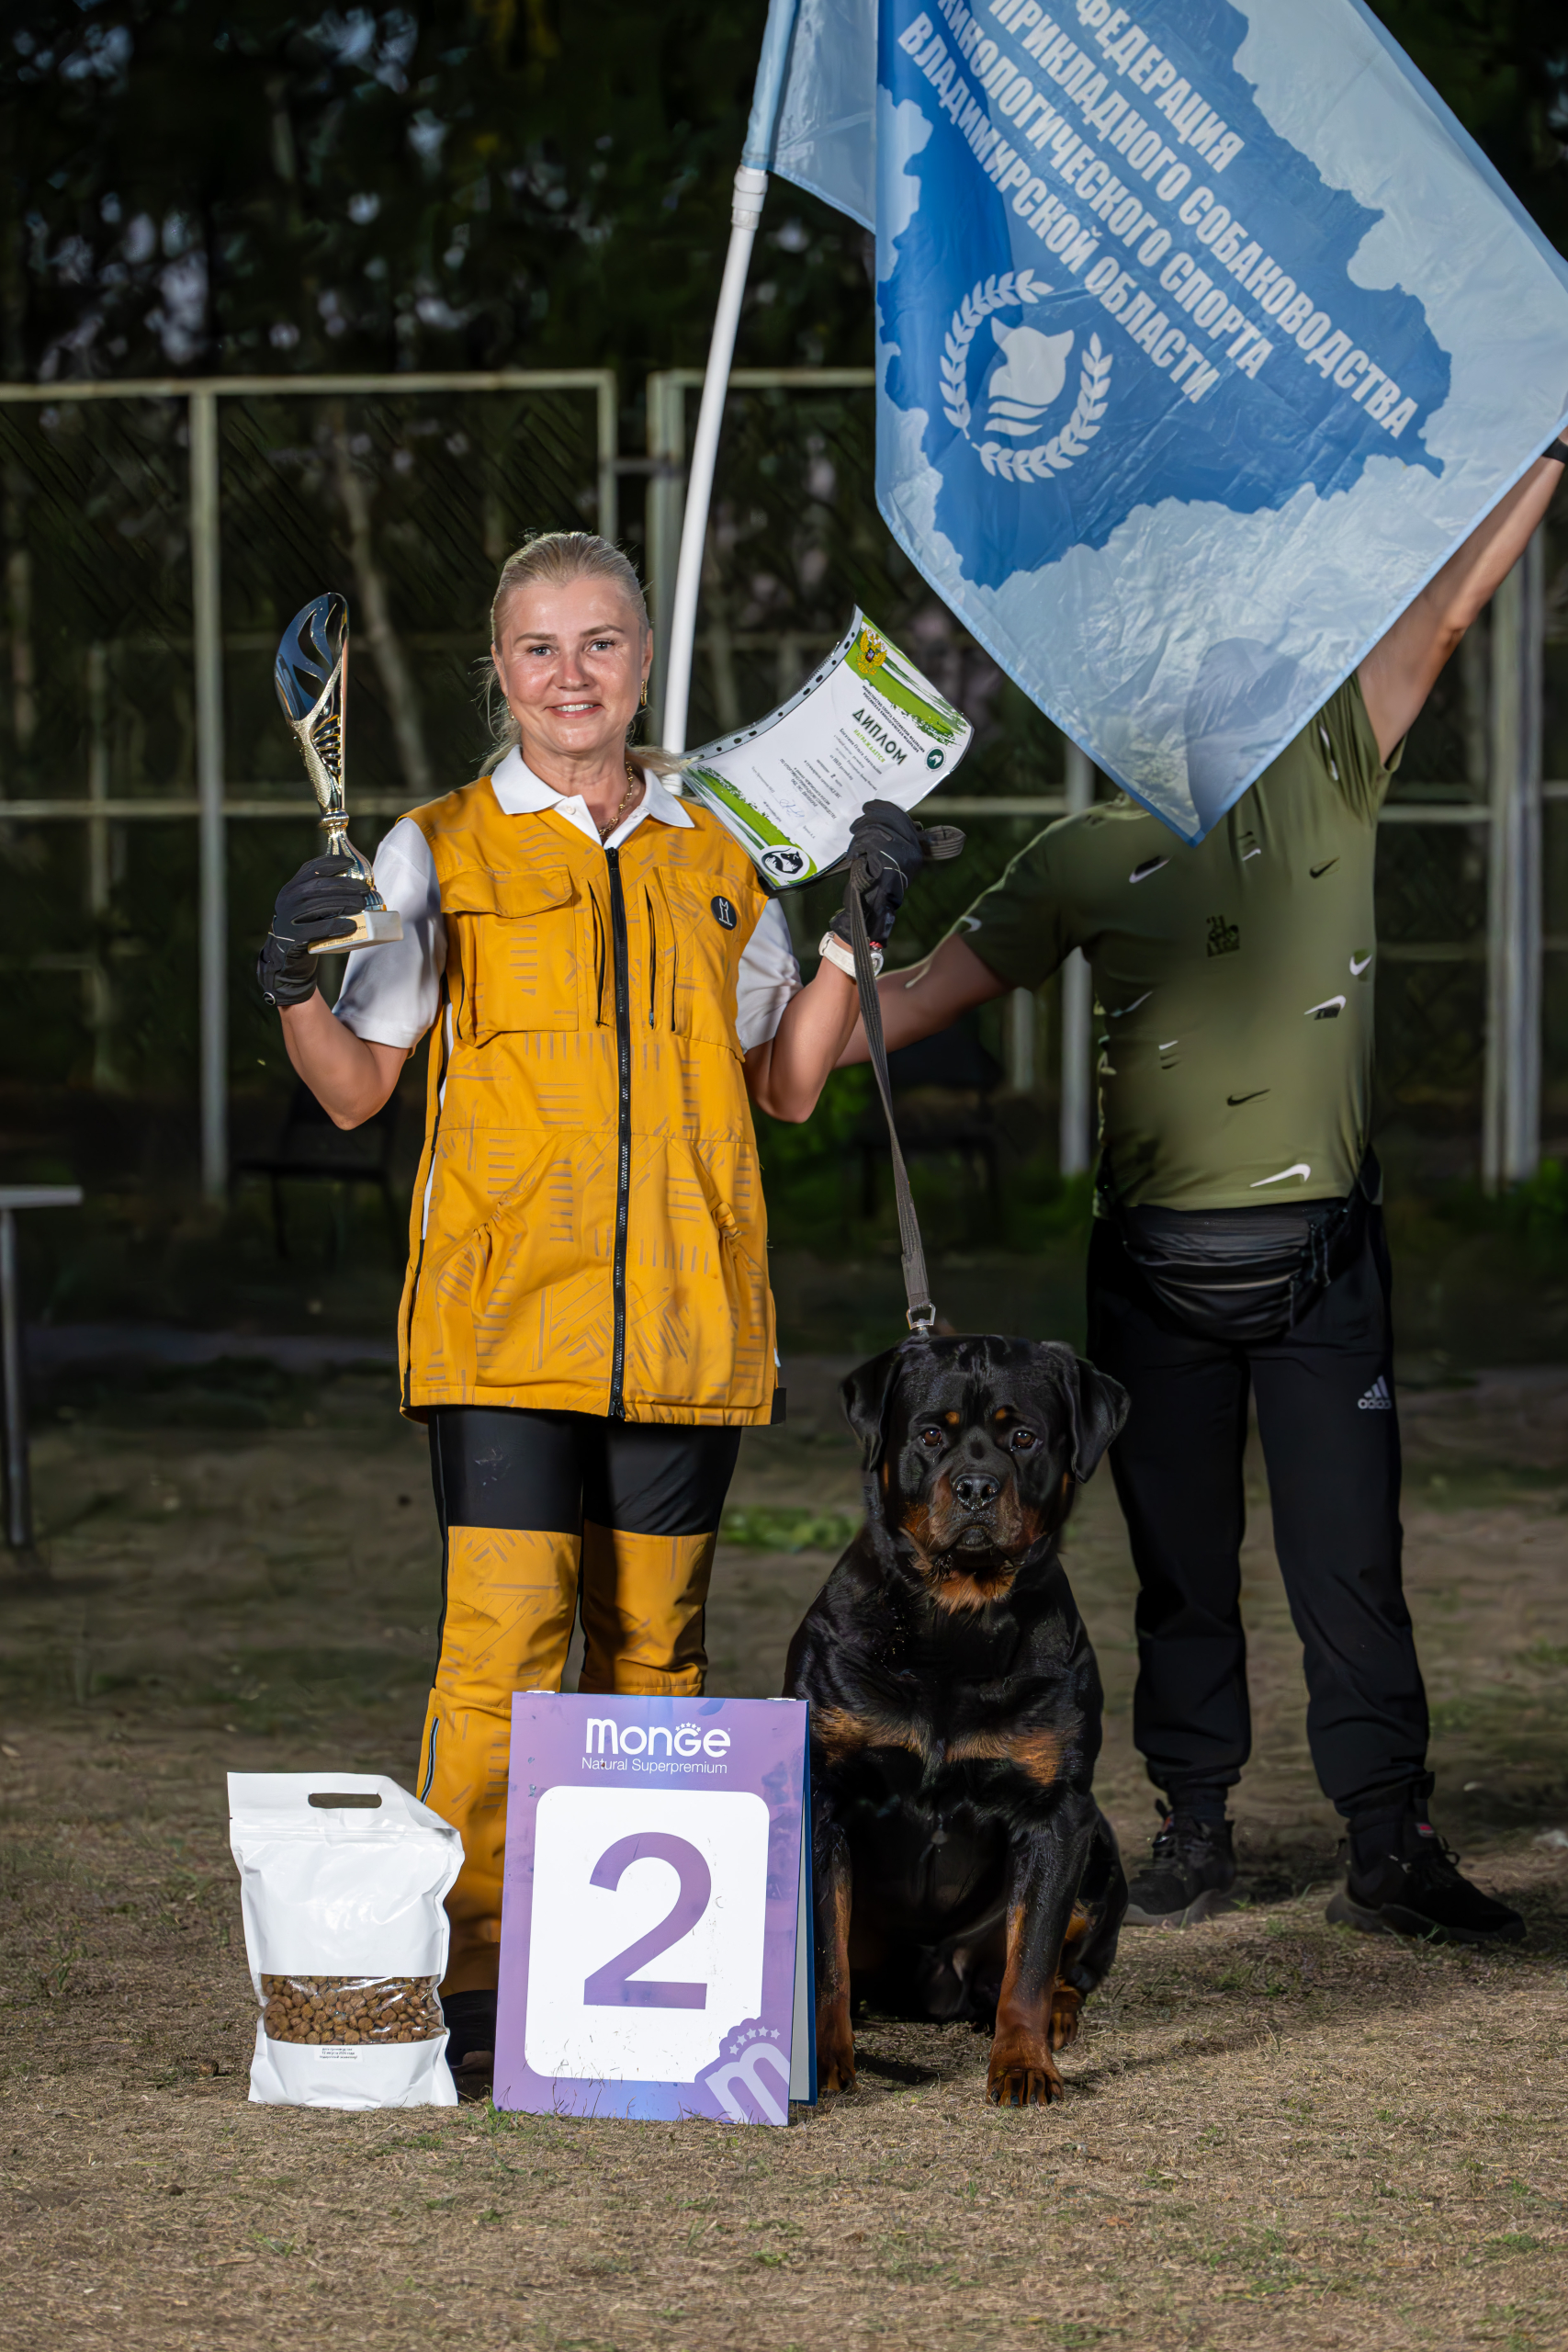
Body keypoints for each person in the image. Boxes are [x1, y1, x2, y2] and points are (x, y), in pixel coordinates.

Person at [841, 443, 1568, 1948]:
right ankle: (1193, 1827)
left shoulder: (1336, 770)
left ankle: (1389, 1841)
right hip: (1155, 1273)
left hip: (1322, 1266)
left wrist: (1545, 446)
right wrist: (848, 921)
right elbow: (886, 1016)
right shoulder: (1080, 854)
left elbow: (1442, 613)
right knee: (1180, 1570)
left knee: (1350, 1563)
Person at [256, 530, 937, 2067]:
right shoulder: (441, 845)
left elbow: (791, 1083)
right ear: (498, 675)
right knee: (503, 1647)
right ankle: (482, 1977)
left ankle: (627, 1996)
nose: (573, 674)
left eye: (602, 643)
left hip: (688, 1324)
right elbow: (360, 1093)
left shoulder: (717, 846)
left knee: (656, 1657)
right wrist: (294, 983)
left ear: (644, 662)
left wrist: (849, 931)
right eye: (540, 649)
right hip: (503, 1326)